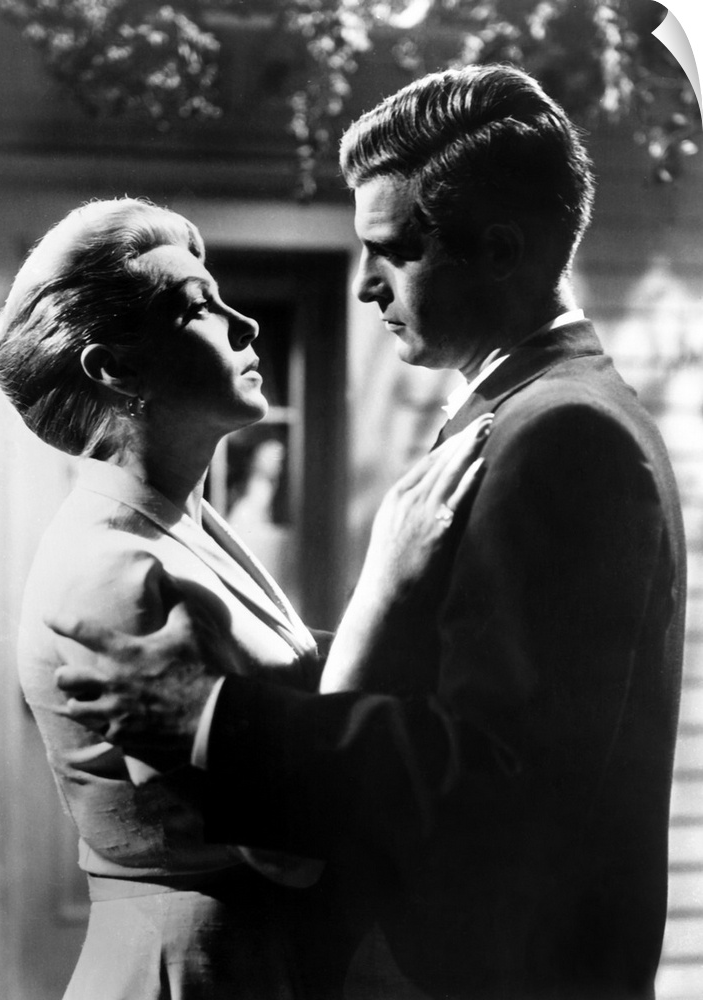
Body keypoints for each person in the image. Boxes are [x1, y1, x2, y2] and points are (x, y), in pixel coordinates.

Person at [53, 65, 686, 1000]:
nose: (362, 286)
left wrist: (216, 720)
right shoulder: (527, 414)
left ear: (500, 250)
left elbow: (501, 778)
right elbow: (465, 677)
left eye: (391, 251)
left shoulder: (561, 435)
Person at [0, 196, 488, 999]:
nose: (246, 324)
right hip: (194, 971)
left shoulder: (183, 524)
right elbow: (290, 840)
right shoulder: (114, 570)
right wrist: (393, 578)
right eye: (197, 308)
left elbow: (292, 688)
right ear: (115, 369)